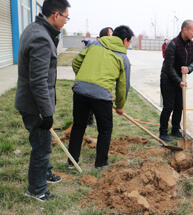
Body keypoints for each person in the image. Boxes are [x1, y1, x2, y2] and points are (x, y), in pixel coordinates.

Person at [14, 0, 70, 202]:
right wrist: (46, 112)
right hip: (34, 105)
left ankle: (44, 173)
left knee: (41, 142)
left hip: (31, 102)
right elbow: (38, 81)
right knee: (42, 146)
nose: (66, 22)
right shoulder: (41, 38)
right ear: (56, 15)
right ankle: (36, 189)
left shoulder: (34, 28)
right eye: (66, 17)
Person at [68, 25, 134, 170]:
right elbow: (123, 86)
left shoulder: (95, 44)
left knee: (78, 126)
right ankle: (100, 163)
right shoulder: (123, 58)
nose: (129, 45)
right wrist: (121, 106)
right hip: (101, 96)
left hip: (80, 90)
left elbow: (76, 62)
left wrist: (83, 78)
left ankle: (72, 162)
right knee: (105, 129)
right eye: (129, 42)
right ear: (124, 40)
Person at [159, 20, 193, 142]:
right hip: (168, 80)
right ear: (185, 30)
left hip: (181, 80)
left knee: (179, 106)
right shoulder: (173, 44)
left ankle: (175, 129)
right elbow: (168, 67)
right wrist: (178, 80)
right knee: (168, 107)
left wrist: (188, 68)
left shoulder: (191, 44)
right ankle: (163, 132)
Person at [86, 27, 114, 127]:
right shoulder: (94, 45)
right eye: (110, 32)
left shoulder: (111, 47)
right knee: (90, 99)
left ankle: (90, 118)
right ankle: (89, 119)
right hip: (91, 77)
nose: (112, 34)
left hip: (101, 80)